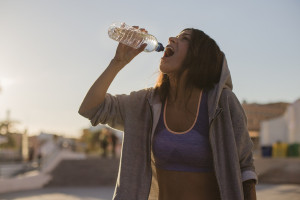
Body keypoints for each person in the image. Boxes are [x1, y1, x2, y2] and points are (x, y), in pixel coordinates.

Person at [79, 27, 257, 200]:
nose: (172, 39)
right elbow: (91, 109)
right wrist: (117, 62)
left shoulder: (222, 103)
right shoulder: (145, 104)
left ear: (200, 56)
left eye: (185, 38)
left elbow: (246, 170)